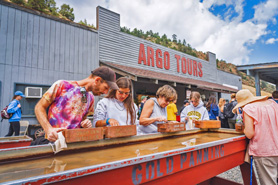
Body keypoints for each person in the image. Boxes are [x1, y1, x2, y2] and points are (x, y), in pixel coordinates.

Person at [35, 66, 118, 142]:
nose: (105, 92)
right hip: (53, 141)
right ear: (97, 80)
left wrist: (85, 124)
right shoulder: (62, 85)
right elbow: (39, 107)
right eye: (106, 88)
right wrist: (48, 129)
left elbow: (82, 121)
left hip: (75, 144)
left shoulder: (91, 98)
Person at [232, 89, 278, 185]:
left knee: (269, 182)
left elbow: (249, 133)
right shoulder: (272, 103)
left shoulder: (248, 108)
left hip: (264, 151)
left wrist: (243, 129)